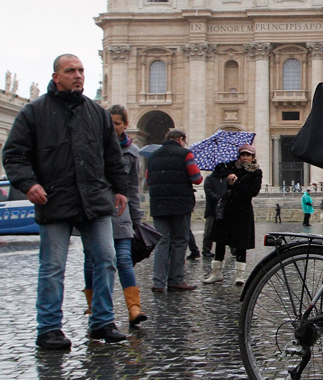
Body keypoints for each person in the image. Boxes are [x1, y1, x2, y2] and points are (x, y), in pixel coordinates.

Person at [2, 54, 129, 348]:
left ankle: (102, 321)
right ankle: (48, 328)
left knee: (107, 260)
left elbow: (112, 156)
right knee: (53, 266)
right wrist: (29, 183)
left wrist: (120, 188)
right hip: (54, 199)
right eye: (71, 70)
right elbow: (14, 155)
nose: (78, 75)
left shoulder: (97, 113)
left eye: (81, 70)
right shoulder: (33, 112)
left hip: (95, 198)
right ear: (56, 76)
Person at [82, 105, 147, 329]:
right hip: (95, 209)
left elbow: (133, 188)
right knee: (92, 260)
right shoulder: (92, 147)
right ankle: (95, 307)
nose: (112, 128)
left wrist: (137, 218)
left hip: (121, 212)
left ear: (125, 125)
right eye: (109, 124)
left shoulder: (132, 152)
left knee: (124, 259)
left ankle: (134, 308)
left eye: (116, 124)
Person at [147, 129, 202, 292]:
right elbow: (197, 179)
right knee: (179, 241)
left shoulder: (153, 156)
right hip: (180, 204)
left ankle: (158, 282)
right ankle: (176, 279)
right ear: (180, 139)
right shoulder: (185, 154)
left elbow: (149, 180)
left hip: (158, 205)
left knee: (162, 242)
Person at [203, 145, 262, 285]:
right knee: (221, 240)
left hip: (243, 209)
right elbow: (218, 171)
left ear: (253, 157)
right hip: (228, 208)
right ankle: (216, 272)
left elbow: (252, 191)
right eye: (243, 155)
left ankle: (239, 274)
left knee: (241, 243)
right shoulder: (232, 168)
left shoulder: (256, 172)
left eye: (248, 155)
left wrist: (235, 184)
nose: (245, 158)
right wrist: (228, 173)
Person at [202, 172, 228, 258]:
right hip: (212, 208)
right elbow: (208, 191)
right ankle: (206, 250)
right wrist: (217, 198)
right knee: (209, 231)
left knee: (228, 230)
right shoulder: (209, 178)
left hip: (224, 207)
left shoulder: (226, 178)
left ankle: (234, 250)